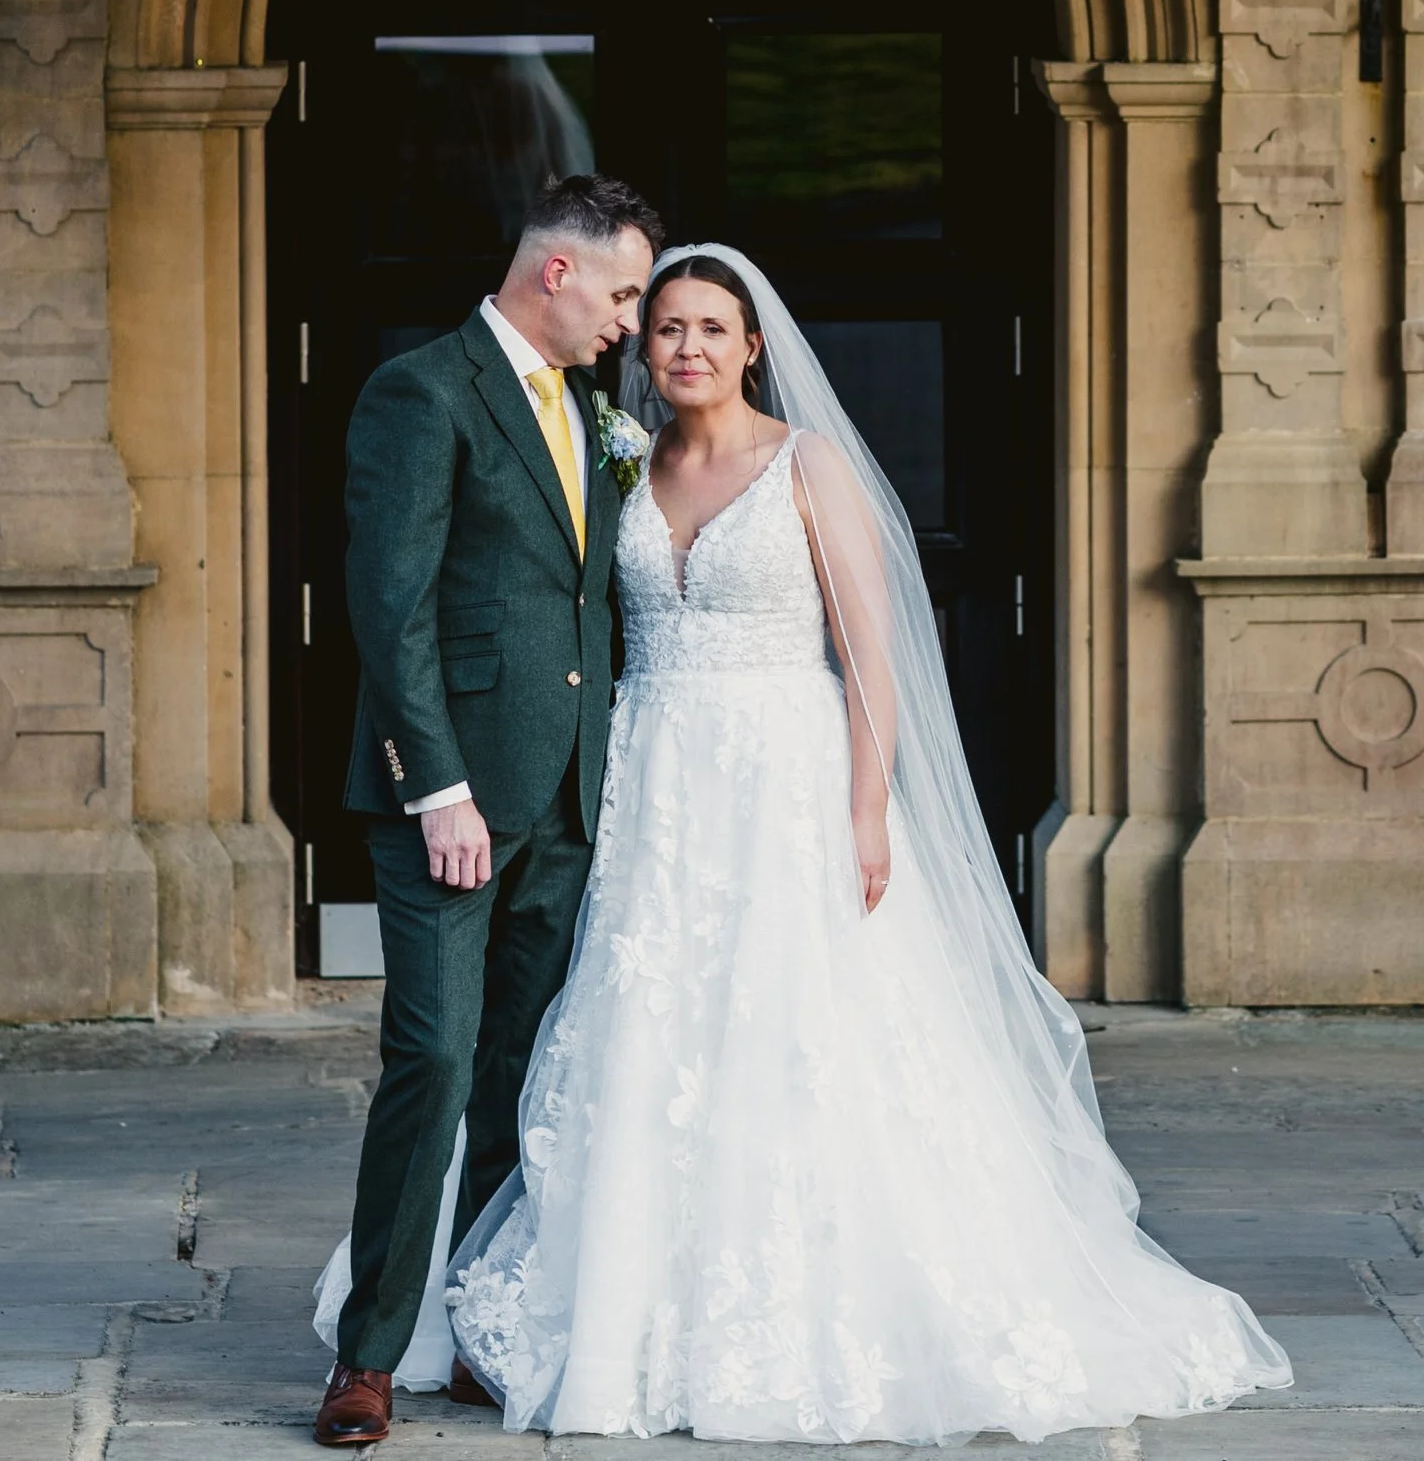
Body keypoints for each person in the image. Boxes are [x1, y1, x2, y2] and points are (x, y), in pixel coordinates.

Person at [439, 244, 1292, 1444]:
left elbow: (871, 656)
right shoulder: (622, 465)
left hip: (785, 777)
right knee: (651, 1025)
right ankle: (632, 1294)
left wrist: (865, 807)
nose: (685, 347)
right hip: (657, 784)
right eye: (667, 327)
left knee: (802, 1027)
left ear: (751, 347)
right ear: (644, 345)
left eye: (709, 329)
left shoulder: (808, 464)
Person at [311, 173, 663, 1450]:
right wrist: (437, 786)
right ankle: (368, 1355)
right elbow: (387, 607)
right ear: (556, 272)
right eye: (622, 292)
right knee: (435, 1059)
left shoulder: (589, 408)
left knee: (521, 1071)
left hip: (568, 795)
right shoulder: (419, 391)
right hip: (448, 803)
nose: (631, 320)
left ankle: (474, 1323)